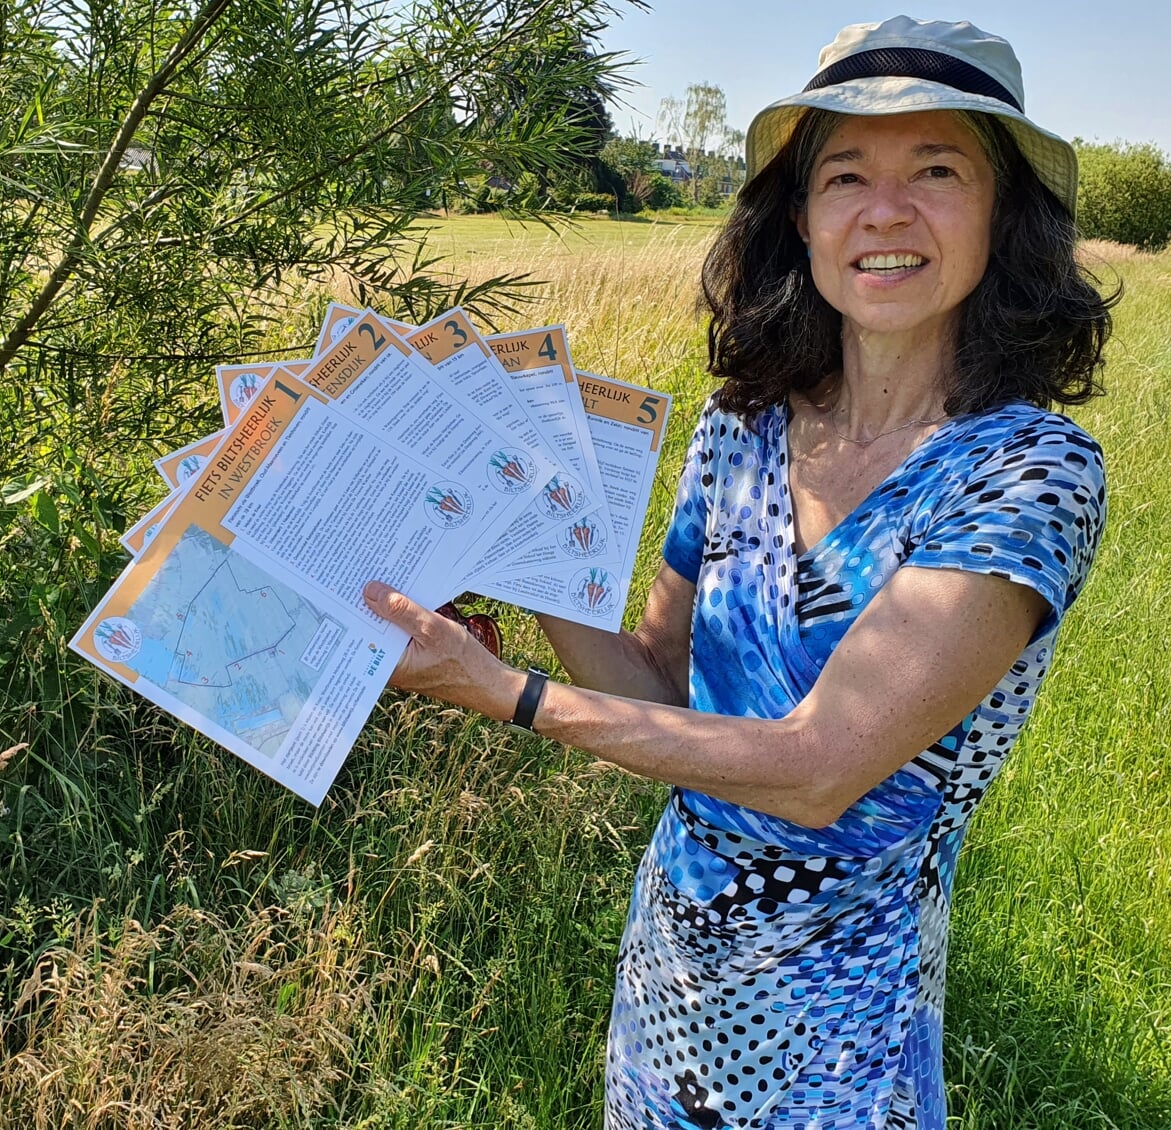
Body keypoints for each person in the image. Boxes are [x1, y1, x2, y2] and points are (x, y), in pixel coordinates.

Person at [361, 16, 1116, 1129]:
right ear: (800, 219)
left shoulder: (1028, 472)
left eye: (938, 170)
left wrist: (507, 696)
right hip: (668, 995)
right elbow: (662, 684)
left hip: (838, 1049)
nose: (884, 210)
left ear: (1004, 215)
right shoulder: (744, 429)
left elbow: (817, 769)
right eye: (844, 173)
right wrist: (516, 564)